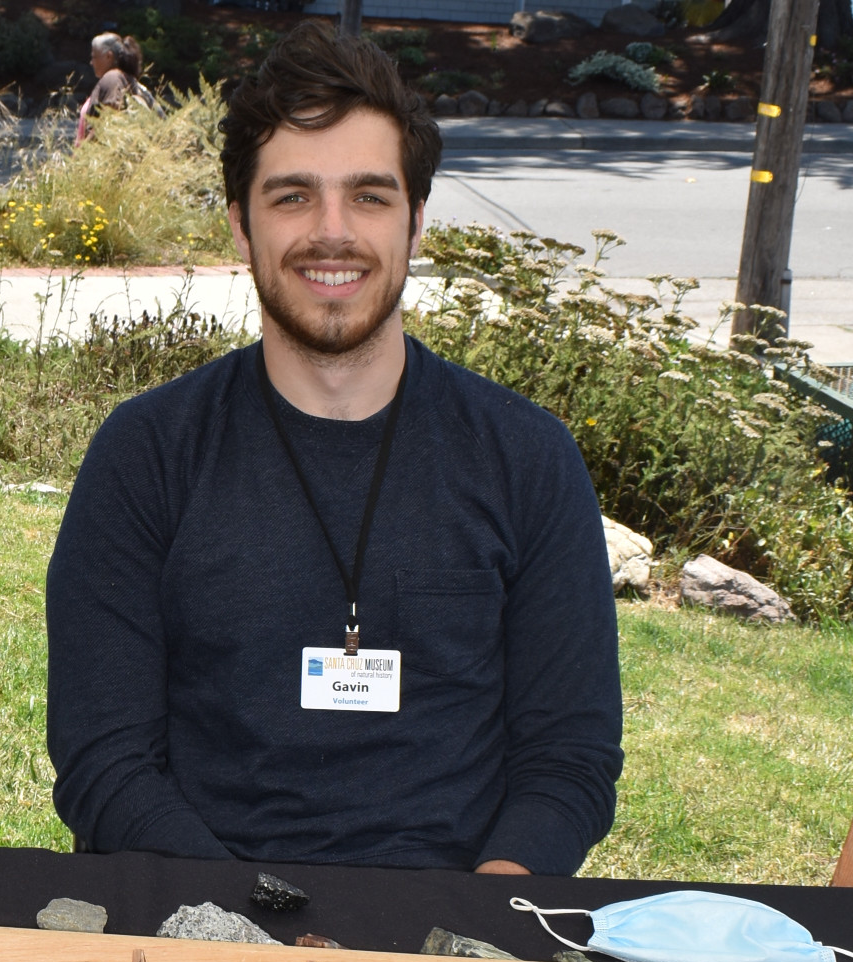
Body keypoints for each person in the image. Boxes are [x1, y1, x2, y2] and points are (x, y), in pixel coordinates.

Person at [45, 22, 621, 875]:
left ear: (416, 223)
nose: (332, 232)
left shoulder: (526, 458)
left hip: (457, 925)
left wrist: (478, 925)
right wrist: (240, 927)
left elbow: (568, 759)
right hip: (203, 917)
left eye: (369, 196)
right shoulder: (147, 454)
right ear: (241, 227)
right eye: (292, 197)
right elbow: (105, 761)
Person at [76, 32, 145, 144]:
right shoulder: (123, 77)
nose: (91, 62)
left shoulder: (112, 78)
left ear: (109, 56)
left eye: (94, 57)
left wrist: (82, 153)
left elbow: (109, 117)